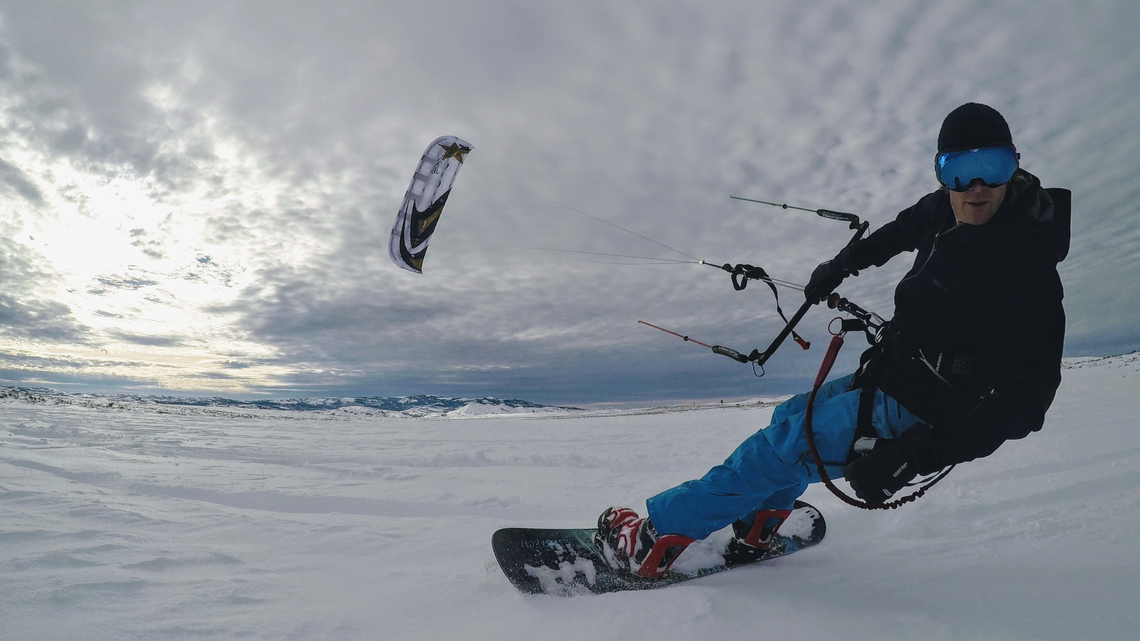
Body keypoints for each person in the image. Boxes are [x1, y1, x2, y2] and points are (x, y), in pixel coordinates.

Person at [597, 103, 1070, 578]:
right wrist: (842, 265)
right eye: (959, 171)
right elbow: (898, 232)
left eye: (992, 167)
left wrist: (914, 457)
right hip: (890, 371)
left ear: (1015, 163)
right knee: (787, 417)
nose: (976, 188)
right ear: (941, 173)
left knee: (777, 447)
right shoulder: (942, 210)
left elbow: (1028, 399)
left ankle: (653, 542)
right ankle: (760, 523)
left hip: (923, 407)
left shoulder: (1026, 266)